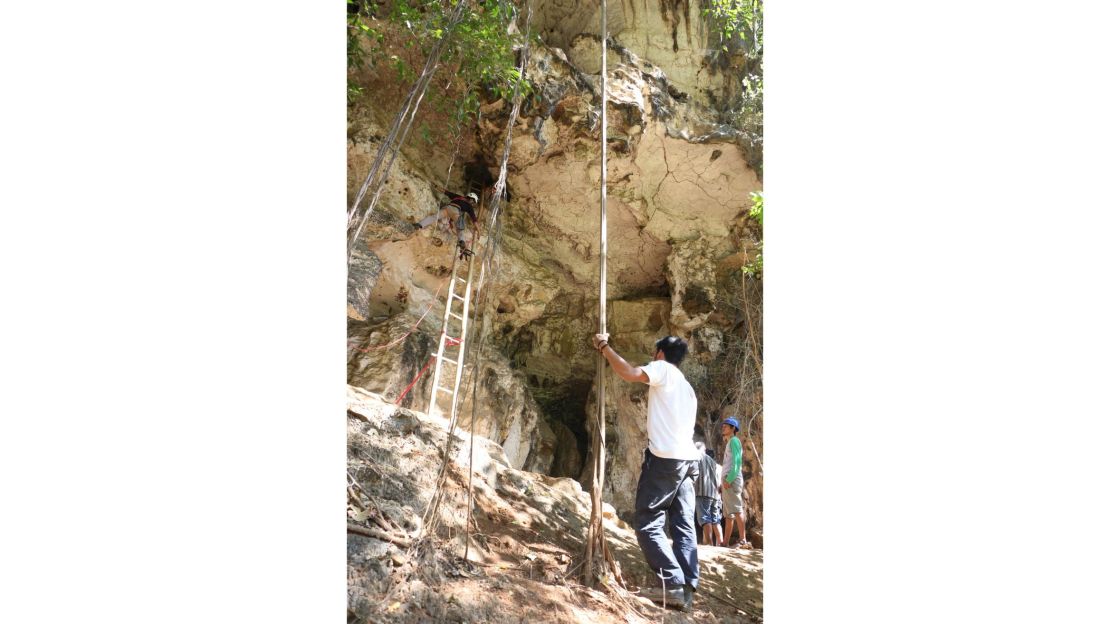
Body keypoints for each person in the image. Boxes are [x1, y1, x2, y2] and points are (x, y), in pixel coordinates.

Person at [591, 332, 699, 612]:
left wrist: (604, 347)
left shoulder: (663, 370)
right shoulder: (687, 387)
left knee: (648, 520)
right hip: (688, 462)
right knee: (683, 523)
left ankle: (672, 583)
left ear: (660, 354)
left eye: (655, 353)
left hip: (665, 460)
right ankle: (687, 585)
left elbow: (629, 372)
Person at [415, 189, 479, 258]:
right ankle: (462, 242)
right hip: (455, 212)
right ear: (472, 199)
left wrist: (437, 187)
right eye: (473, 202)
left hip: (447, 208)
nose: (472, 203)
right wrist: (479, 231)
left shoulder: (458, 197)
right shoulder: (469, 206)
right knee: (460, 229)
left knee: (433, 217)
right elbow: (474, 219)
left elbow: (446, 192)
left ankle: (419, 225)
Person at [720, 416, 752, 549]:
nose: (723, 427)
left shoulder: (734, 440)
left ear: (733, 428)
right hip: (728, 480)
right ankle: (725, 543)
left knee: (737, 509)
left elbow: (737, 462)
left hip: (731, 480)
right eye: (723, 425)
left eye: (726, 425)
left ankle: (743, 539)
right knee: (729, 513)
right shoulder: (730, 441)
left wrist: (729, 479)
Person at [694, 442, 724, 547]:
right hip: (715, 495)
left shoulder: (697, 456)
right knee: (716, 520)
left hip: (702, 492)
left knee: (705, 518)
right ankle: (720, 543)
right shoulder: (713, 462)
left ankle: (709, 544)